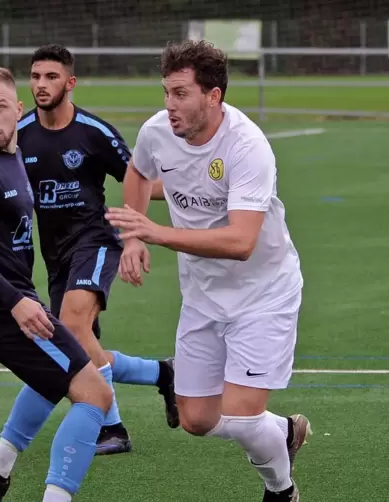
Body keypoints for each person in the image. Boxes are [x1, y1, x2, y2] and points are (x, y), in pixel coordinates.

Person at [105, 40, 311, 501]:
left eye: (181, 93)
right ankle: (282, 432)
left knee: (238, 415)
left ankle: (281, 491)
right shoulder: (158, 131)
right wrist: (134, 237)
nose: (169, 105)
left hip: (264, 294)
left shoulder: (247, 146)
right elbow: (136, 174)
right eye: (166, 92)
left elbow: (240, 242)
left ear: (213, 96)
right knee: (196, 420)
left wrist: (155, 233)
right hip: (202, 296)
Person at [0, 64, 113, 502]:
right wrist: (13, 304)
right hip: (4, 311)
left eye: (0, 108)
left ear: (17, 109)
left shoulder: (12, 154)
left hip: (4, 302)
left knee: (49, 379)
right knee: (93, 393)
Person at [16, 44, 178, 455]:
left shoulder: (94, 133)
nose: (40, 84)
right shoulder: (20, 135)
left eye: (51, 77)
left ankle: (113, 429)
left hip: (95, 240)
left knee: (71, 325)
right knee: (77, 345)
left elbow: (137, 181)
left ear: (70, 83)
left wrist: (183, 192)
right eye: (35, 76)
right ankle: (164, 373)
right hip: (54, 254)